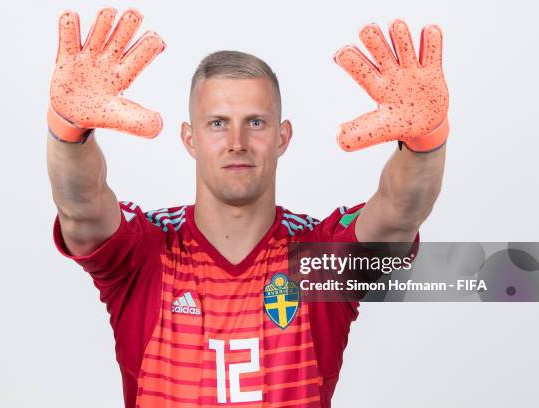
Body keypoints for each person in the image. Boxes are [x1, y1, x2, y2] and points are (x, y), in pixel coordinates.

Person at [46, 7, 447, 407]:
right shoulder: (146, 254)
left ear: (282, 137)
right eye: (217, 123)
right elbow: (81, 207)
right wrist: (68, 129)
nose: (237, 141)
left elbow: (398, 214)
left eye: (255, 122)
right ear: (190, 139)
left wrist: (424, 142)